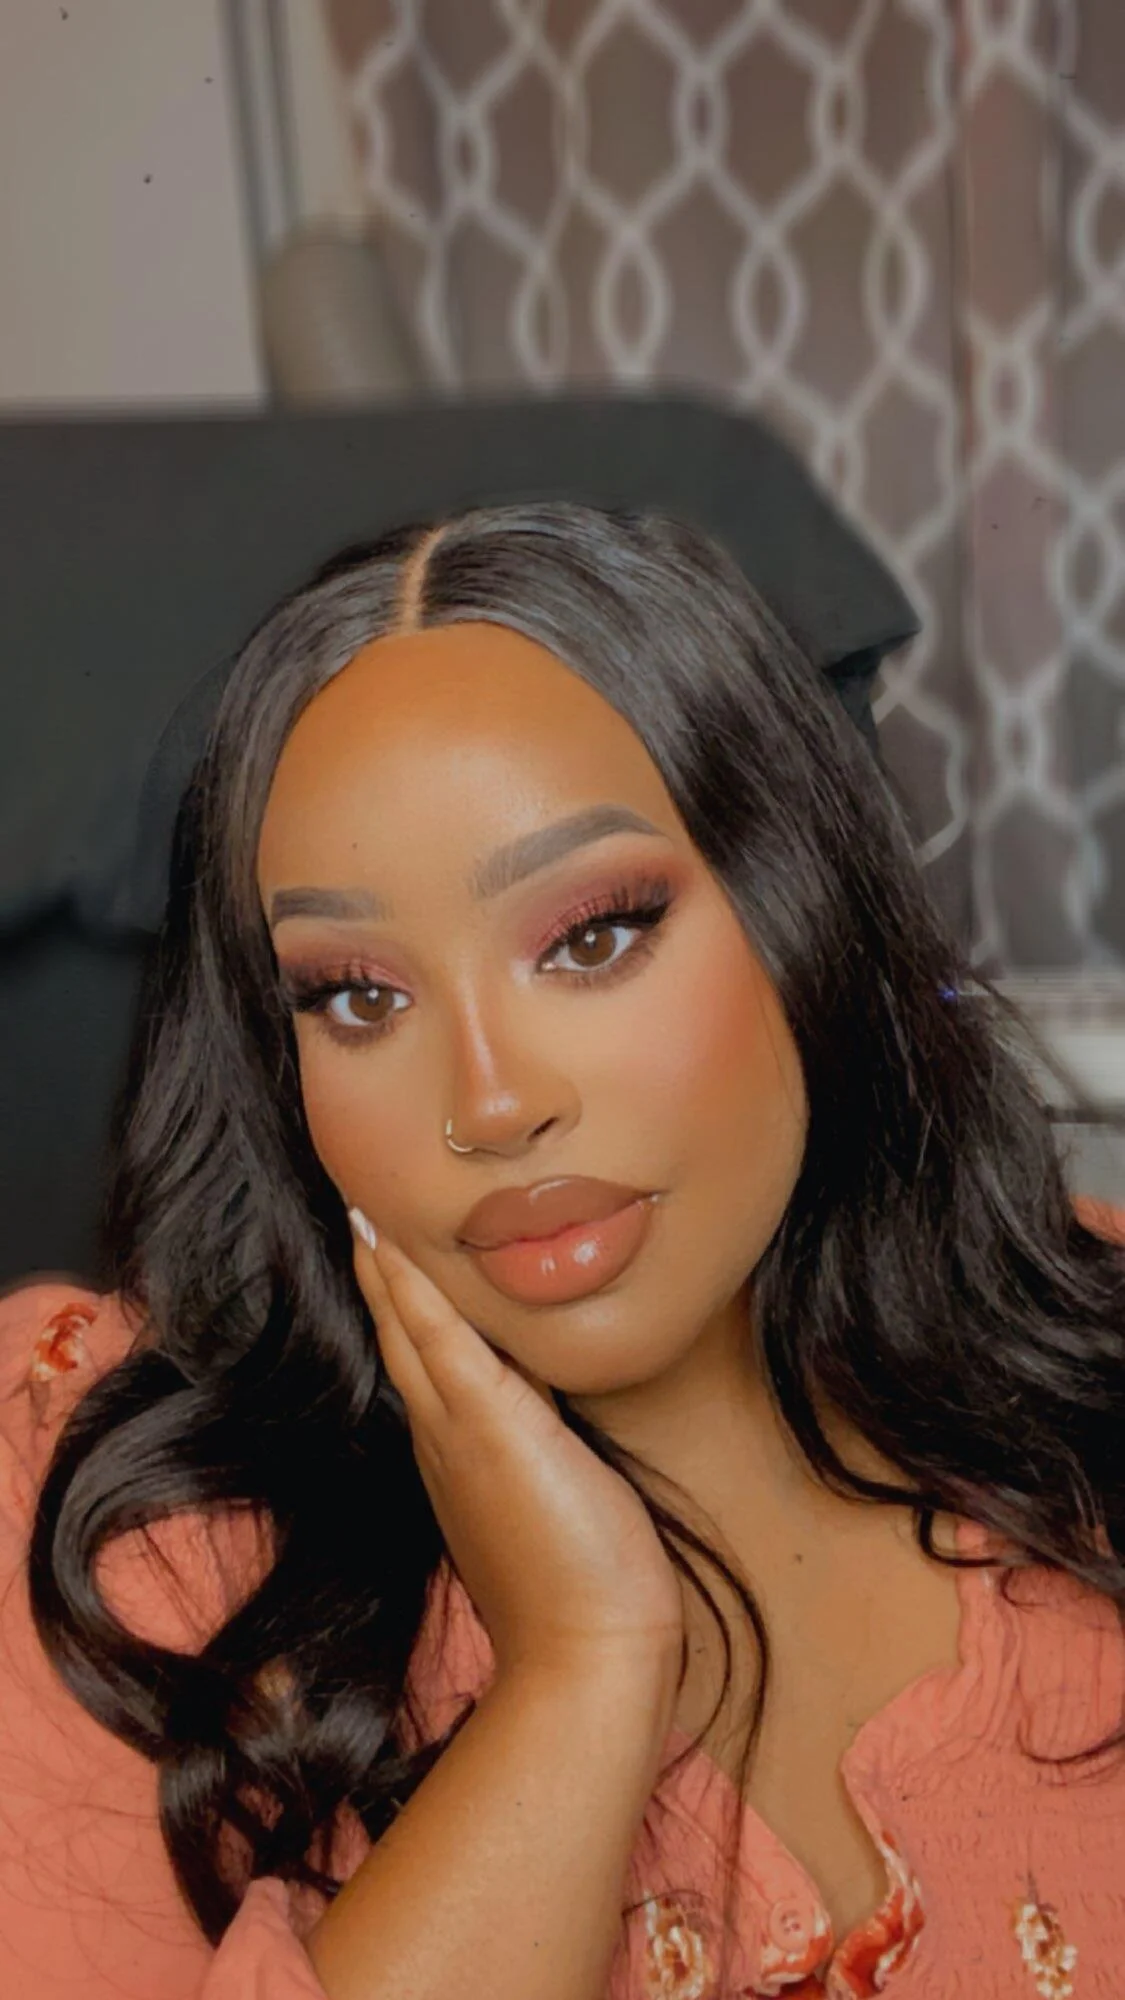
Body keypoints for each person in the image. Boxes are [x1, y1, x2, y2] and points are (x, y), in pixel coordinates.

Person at [1, 502, 1123, 2000]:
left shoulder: (1096, 1369)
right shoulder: (109, 1529)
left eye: (591, 937)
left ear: (805, 914)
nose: (492, 1102)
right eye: (358, 997)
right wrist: (578, 1671)